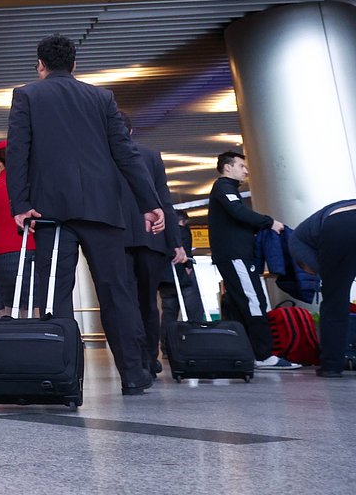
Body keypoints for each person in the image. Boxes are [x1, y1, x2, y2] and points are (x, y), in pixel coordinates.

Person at [6, 33, 164, 396]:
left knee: (56, 292)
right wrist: (149, 202)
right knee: (116, 291)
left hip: (50, 210)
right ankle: (134, 374)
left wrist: (20, 204)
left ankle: (62, 376)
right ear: (75, 65)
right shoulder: (102, 97)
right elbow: (126, 154)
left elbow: (18, 153)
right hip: (102, 208)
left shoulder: (26, 95)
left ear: (40, 65)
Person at [208, 150, 300, 370]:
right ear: (227, 167)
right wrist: (269, 222)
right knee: (253, 301)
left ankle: (249, 353)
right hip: (234, 255)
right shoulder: (223, 187)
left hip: (237, 256)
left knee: (245, 302)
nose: (246, 170)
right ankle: (263, 355)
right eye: (241, 166)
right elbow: (238, 213)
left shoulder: (228, 189)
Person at [119, 114, 179, 376]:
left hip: (116, 239)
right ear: (131, 131)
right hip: (151, 237)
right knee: (148, 301)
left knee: (123, 301)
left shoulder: (99, 156)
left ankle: (132, 359)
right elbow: (164, 200)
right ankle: (149, 358)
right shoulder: (151, 156)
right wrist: (175, 242)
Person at [288, 199, 356, 377]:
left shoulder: (297, 244)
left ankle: (332, 365)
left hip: (341, 224)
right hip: (344, 218)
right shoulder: (309, 231)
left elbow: (324, 269)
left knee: (334, 301)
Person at [0, 140, 36, 317]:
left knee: (10, 302)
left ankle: (12, 340)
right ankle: (39, 340)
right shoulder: (31, 183)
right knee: (35, 299)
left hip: (2, 251)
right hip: (32, 246)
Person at [157, 210, 207, 359]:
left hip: (165, 279)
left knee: (168, 314)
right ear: (183, 221)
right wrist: (188, 268)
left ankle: (166, 348)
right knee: (194, 311)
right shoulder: (182, 232)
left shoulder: (160, 233)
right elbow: (185, 255)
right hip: (183, 279)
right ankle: (197, 343)